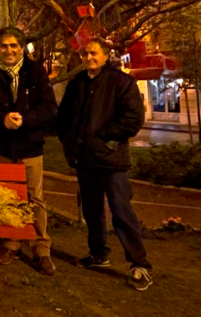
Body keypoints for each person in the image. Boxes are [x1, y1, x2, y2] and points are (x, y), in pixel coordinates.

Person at [58, 38, 152, 291]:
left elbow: (133, 118)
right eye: (85, 53)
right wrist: (69, 141)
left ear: (105, 55)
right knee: (92, 211)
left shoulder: (121, 82)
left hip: (111, 161)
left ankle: (139, 264)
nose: (89, 57)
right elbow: (65, 116)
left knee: (122, 212)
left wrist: (102, 136)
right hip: (85, 159)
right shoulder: (78, 83)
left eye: (94, 53)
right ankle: (98, 253)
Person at [0, 27, 58, 276]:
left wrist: (26, 120)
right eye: (4, 46)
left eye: (14, 46)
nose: (9, 50)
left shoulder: (36, 71)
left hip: (29, 144)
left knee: (34, 198)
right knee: (4, 197)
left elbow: (49, 106)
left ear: (22, 48)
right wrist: (1, 119)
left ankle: (41, 248)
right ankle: (10, 243)